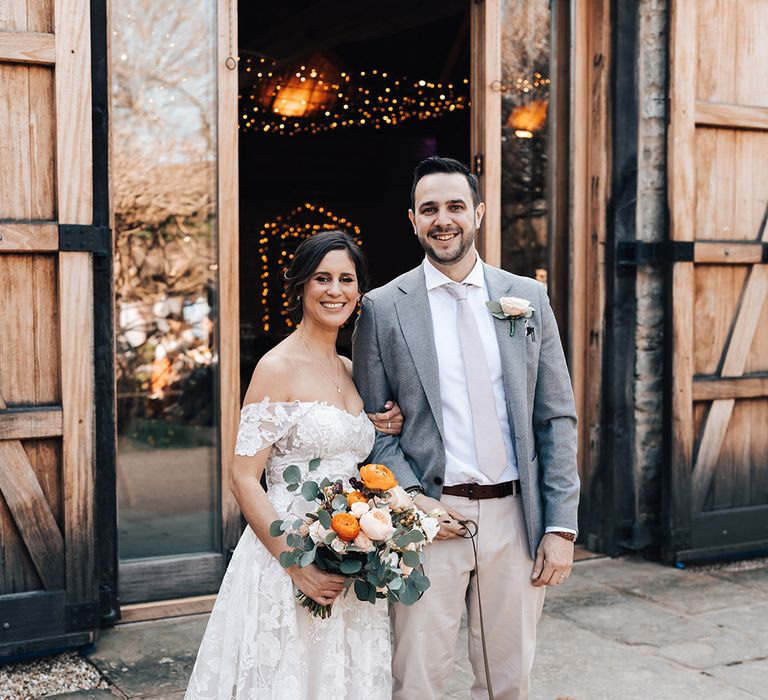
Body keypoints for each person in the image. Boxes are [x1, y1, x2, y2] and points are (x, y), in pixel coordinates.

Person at [352, 156, 580, 700]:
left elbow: (556, 417)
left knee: (509, 681)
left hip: (517, 520)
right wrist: (411, 499)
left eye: (455, 206)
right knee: (417, 681)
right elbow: (370, 428)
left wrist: (561, 526)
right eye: (429, 209)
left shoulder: (528, 298)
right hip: (428, 520)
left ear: (477, 213)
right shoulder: (381, 309)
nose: (443, 219)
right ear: (412, 219)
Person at [185, 231, 403, 699]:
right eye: (322, 278)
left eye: (346, 279)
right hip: (287, 555)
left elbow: (351, 448)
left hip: (351, 557)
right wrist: (294, 564)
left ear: (359, 293)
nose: (335, 290)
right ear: (301, 286)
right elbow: (243, 476)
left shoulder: (351, 368)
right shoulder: (276, 367)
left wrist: (384, 424)